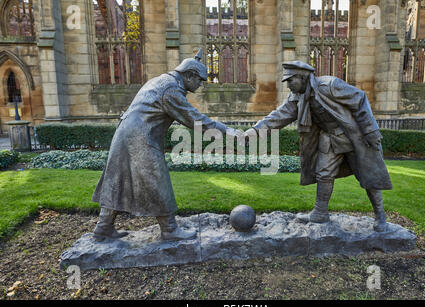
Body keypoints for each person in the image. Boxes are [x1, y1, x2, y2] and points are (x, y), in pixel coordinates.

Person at [92, 49, 241, 241]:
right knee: (157, 179)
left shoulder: (161, 80)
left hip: (124, 135)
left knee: (118, 180)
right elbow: (194, 119)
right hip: (140, 138)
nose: (200, 85)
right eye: (200, 80)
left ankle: (103, 228)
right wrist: (228, 132)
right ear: (189, 75)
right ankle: (169, 229)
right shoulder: (171, 90)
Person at [244, 61, 392, 232]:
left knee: (367, 175)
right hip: (328, 137)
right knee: (324, 173)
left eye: (291, 80)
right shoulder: (297, 96)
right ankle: (320, 212)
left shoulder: (329, 85)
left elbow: (360, 99)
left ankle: (380, 215)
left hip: (353, 137)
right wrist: (254, 131)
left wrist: (371, 131)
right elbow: (279, 116)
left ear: (302, 77)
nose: (288, 85)